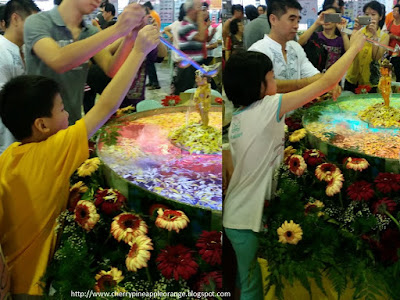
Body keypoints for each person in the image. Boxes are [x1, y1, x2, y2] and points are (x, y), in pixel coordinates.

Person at [0, 24, 159, 296]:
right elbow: (106, 105)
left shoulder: (9, 156)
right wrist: (139, 52)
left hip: (11, 273)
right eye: (61, 109)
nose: (67, 115)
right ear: (42, 125)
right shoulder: (52, 149)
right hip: (33, 283)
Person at [222, 29, 366, 300]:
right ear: (260, 87)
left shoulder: (241, 116)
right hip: (245, 219)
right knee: (252, 289)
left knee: (249, 280)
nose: (276, 83)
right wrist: (355, 48)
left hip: (237, 215)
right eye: (272, 78)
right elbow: (325, 83)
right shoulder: (267, 107)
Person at [24, 1, 146, 125]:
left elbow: (111, 69)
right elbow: (57, 60)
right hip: (39, 127)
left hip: (72, 121)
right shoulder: (37, 22)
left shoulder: (89, 31)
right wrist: (118, 29)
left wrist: (130, 36)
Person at [248, 0, 328, 94]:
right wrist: (304, 82)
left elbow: (314, 74)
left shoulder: (295, 47)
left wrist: (326, 81)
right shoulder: (258, 50)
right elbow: (265, 86)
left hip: (297, 107)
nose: (296, 26)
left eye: (298, 21)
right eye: (291, 20)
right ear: (273, 19)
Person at [0, 0, 40, 155]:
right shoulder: (1, 50)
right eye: (33, 23)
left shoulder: (28, 49)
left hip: (28, 132)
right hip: (6, 134)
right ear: (15, 19)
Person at [344, 1, 389, 93]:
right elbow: (349, 51)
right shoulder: (359, 32)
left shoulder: (384, 36)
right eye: (367, 14)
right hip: (353, 76)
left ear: (380, 17)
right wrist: (355, 30)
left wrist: (375, 36)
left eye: (373, 14)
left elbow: (376, 57)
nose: (370, 17)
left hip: (370, 80)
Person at [298, 7, 349, 72]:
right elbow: (299, 43)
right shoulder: (314, 36)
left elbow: (349, 55)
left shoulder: (341, 40)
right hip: (312, 76)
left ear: (337, 18)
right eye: (325, 16)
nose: (327, 20)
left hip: (333, 78)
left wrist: (343, 32)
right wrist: (316, 23)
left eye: (331, 16)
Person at [173, 0, 208, 95]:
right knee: (185, 95)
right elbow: (201, 38)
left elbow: (205, 39)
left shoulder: (193, 25)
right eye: (199, 8)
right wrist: (201, 19)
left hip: (195, 66)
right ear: (190, 10)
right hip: (187, 68)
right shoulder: (185, 25)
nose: (201, 11)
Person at [143, 1, 161, 90]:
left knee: (150, 63)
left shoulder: (152, 15)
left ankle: (155, 83)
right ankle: (151, 81)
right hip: (151, 41)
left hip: (151, 41)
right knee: (149, 64)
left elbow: (152, 27)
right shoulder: (153, 14)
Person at [386, 4, 400, 81]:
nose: (393, 12)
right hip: (390, 51)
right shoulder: (391, 22)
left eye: (396, 11)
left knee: (398, 73)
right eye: (393, 10)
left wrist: (395, 37)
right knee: (387, 72)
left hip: (398, 53)